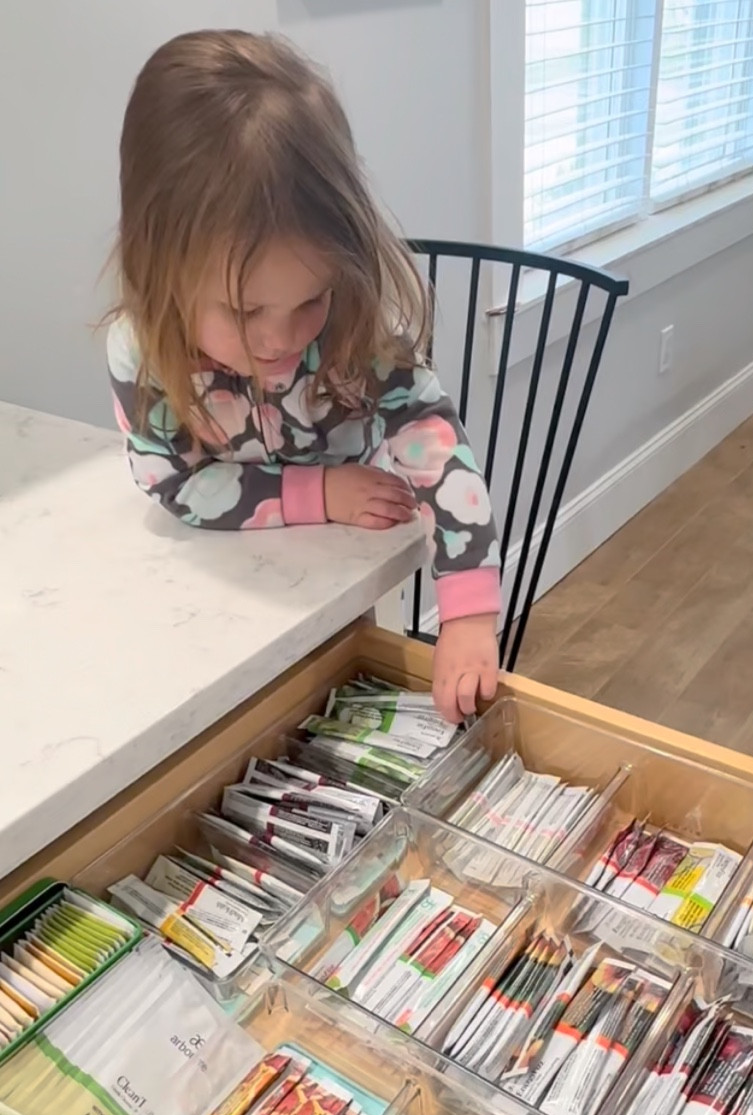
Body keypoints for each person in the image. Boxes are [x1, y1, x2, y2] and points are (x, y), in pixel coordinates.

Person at [106, 29, 500, 724]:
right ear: (158, 271)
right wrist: (317, 491)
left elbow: (431, 438)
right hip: (214, 601)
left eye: (311, 298)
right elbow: (173, 484)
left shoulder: (356, 325)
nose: (281, 339)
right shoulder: (141, 355)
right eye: (243, 311)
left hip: (348, 589)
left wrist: (467, 609)